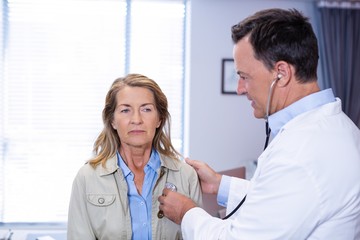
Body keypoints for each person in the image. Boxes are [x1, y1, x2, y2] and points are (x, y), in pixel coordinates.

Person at [158, 8, 360, 239]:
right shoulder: (338, 127)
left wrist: (186, 213)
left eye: (244, 76)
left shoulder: (299, 153)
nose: (240, 89)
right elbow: (284, 199)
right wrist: (219, 184)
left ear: (281, 74)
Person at [67, 73, 202, 240]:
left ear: (159, 119)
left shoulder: (186, 176)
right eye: (125, 110)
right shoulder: (87, 178)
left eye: (146, 109)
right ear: (112, 121)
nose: (136, 119)